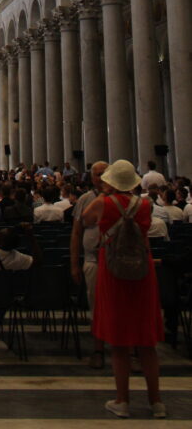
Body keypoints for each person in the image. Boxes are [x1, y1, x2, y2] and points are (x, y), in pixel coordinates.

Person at [82, 159, 165, 419]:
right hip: (143, 270)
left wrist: (105, 196)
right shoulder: (145, 204)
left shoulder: (103, 203)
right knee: (146, 341)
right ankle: (156, 402)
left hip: (114, 269)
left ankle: (122, 400)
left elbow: (85, 220)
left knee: (119, 341)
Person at [71, 160, 108, 368]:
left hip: (116, 260)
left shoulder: (121, 198)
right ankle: (98, 349)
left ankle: (129, 351)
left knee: (122, 307)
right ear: (91, 177)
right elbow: (76, 233)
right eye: (97, 174)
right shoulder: (85, 199)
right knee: (97, 307)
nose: (101, 178)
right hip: (93, 259)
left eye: (104, 173)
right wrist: (74, 264)